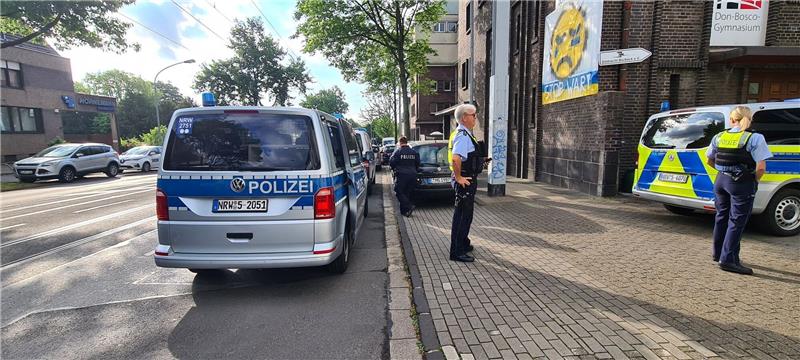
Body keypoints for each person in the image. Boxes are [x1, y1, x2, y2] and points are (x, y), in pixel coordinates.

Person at [706, 106, 772, 275]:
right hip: (740, 183)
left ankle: (718, 253)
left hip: (721, 181)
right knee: (736, 221)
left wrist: (724, 172)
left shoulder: (719, 136)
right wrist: (753, 180)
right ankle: (728, 260)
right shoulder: (755, 138)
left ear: (731, 119)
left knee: (721, 217)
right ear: (749, 119)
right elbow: (761, 168)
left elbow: (709, 160)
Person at [449, 104, 489, 263]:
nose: (475, 117)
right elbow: (456, 158)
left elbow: (467, 157)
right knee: (461, 217)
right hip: (465, 180)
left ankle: (463, 244)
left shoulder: (467, 134)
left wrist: (480, 162)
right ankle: (456, 252)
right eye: (473, 115)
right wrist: (459, 177)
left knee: (467, 216)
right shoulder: (462, 135)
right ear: (464, 117)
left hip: (469, 179)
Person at [390, 136, 420, 217]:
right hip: (413, 175)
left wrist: (394, 169)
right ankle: (405, 211)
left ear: (400, 143)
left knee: (398, 191)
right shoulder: (414, 152)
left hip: (402, 176)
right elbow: (418, 163)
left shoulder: (397, 152)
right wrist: (414, 170)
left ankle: (409, 206)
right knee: (406, 193)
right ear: (407, 142)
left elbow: (392, 163)